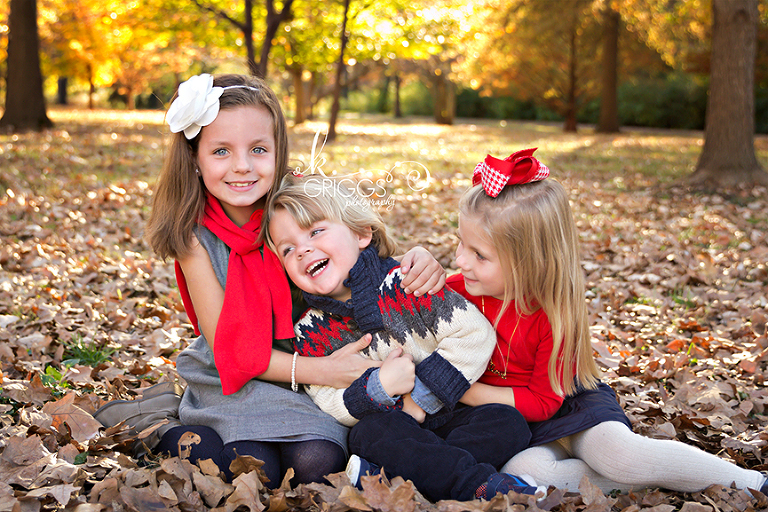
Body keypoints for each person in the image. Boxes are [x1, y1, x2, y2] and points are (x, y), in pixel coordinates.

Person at [94, 73, 446, 488]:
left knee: (318, 463)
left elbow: (356, 252)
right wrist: (324, 372)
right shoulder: (194, 239)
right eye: (221, 151)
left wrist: (413, 258)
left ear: (279, 152)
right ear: (194, 157)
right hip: (236, 375)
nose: (242, 166)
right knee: (248, 467)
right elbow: (232, 350)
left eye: (258, 149)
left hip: (313, 361)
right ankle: (156, 424)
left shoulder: (296, 207)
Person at [450, 148, 768, 495]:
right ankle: (663, 476)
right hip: (513, 423)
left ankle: (757, 483)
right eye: (461, 244)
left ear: (531, 262)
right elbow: (393, 288)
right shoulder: (457, 291)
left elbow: (543, 402)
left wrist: (455, 386)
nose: (459, 260)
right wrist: (413, 259)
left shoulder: (552, 314)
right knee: (524, 470)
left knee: (619, 456)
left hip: (568, 401)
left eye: (479, 254)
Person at [264, 174, 541, 503]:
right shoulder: (309, 330)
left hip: (445, 415)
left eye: (316, 231)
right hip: (388, 430)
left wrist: (419, 398)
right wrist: (378, 386)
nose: (303, 249)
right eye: (288, 248)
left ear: (361, 233)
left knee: (507, 422)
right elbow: (329, 402)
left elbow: (474, 336)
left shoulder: (407, 281)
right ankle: (477, 484)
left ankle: (388, 478)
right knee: (372, 433)